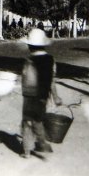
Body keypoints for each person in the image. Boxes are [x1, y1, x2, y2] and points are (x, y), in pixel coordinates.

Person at [20, 28, 62, 158]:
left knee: (27, 122)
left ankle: (28, 150)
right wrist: (55, 97)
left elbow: (24, 78)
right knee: (38, 119)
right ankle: (41, 142)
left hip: (28, 96)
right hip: (42, 96)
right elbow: (52, 81)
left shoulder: (28, 60)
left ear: (29, 46)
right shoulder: (51, 60)